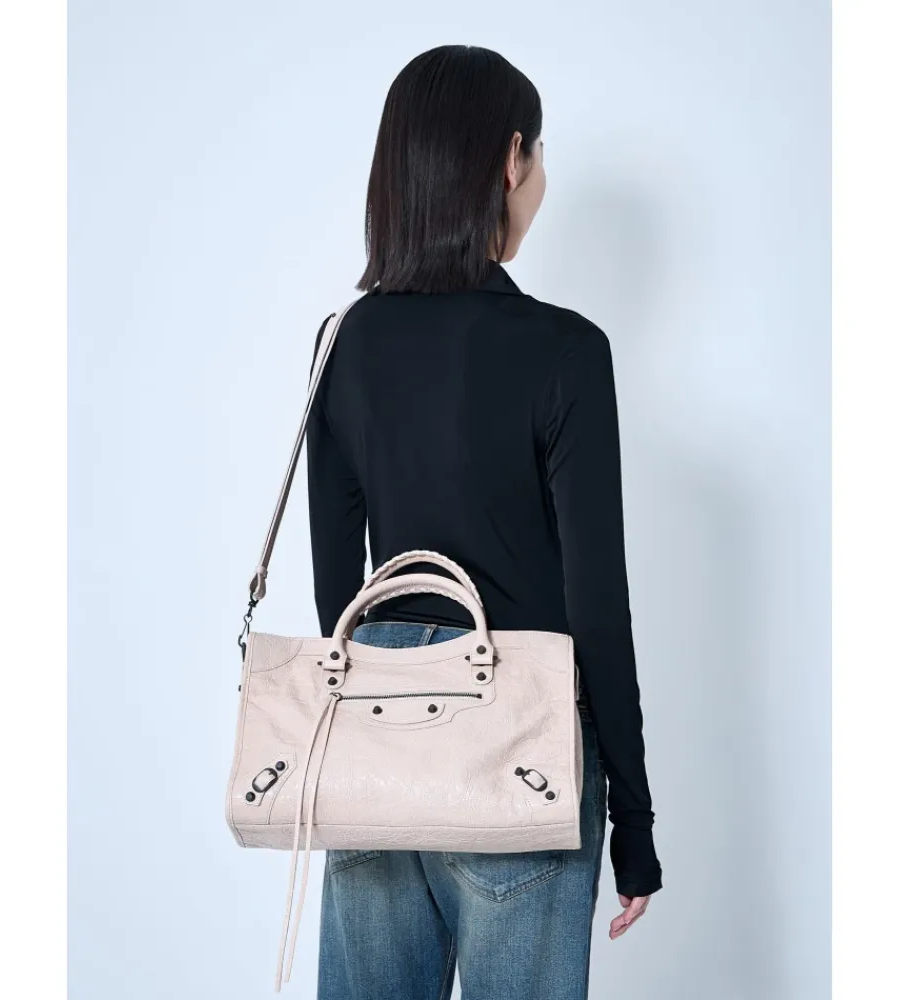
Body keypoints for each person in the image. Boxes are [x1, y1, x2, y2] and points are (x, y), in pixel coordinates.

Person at [306, 44, 662, 1000]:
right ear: (510, 159)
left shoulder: (343, 344)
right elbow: (597, 601)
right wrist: (634, 818)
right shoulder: (565, 352)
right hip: (521, 751)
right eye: (538, 153)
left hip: (375, 746)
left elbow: (340, 591)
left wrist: (384, 714)